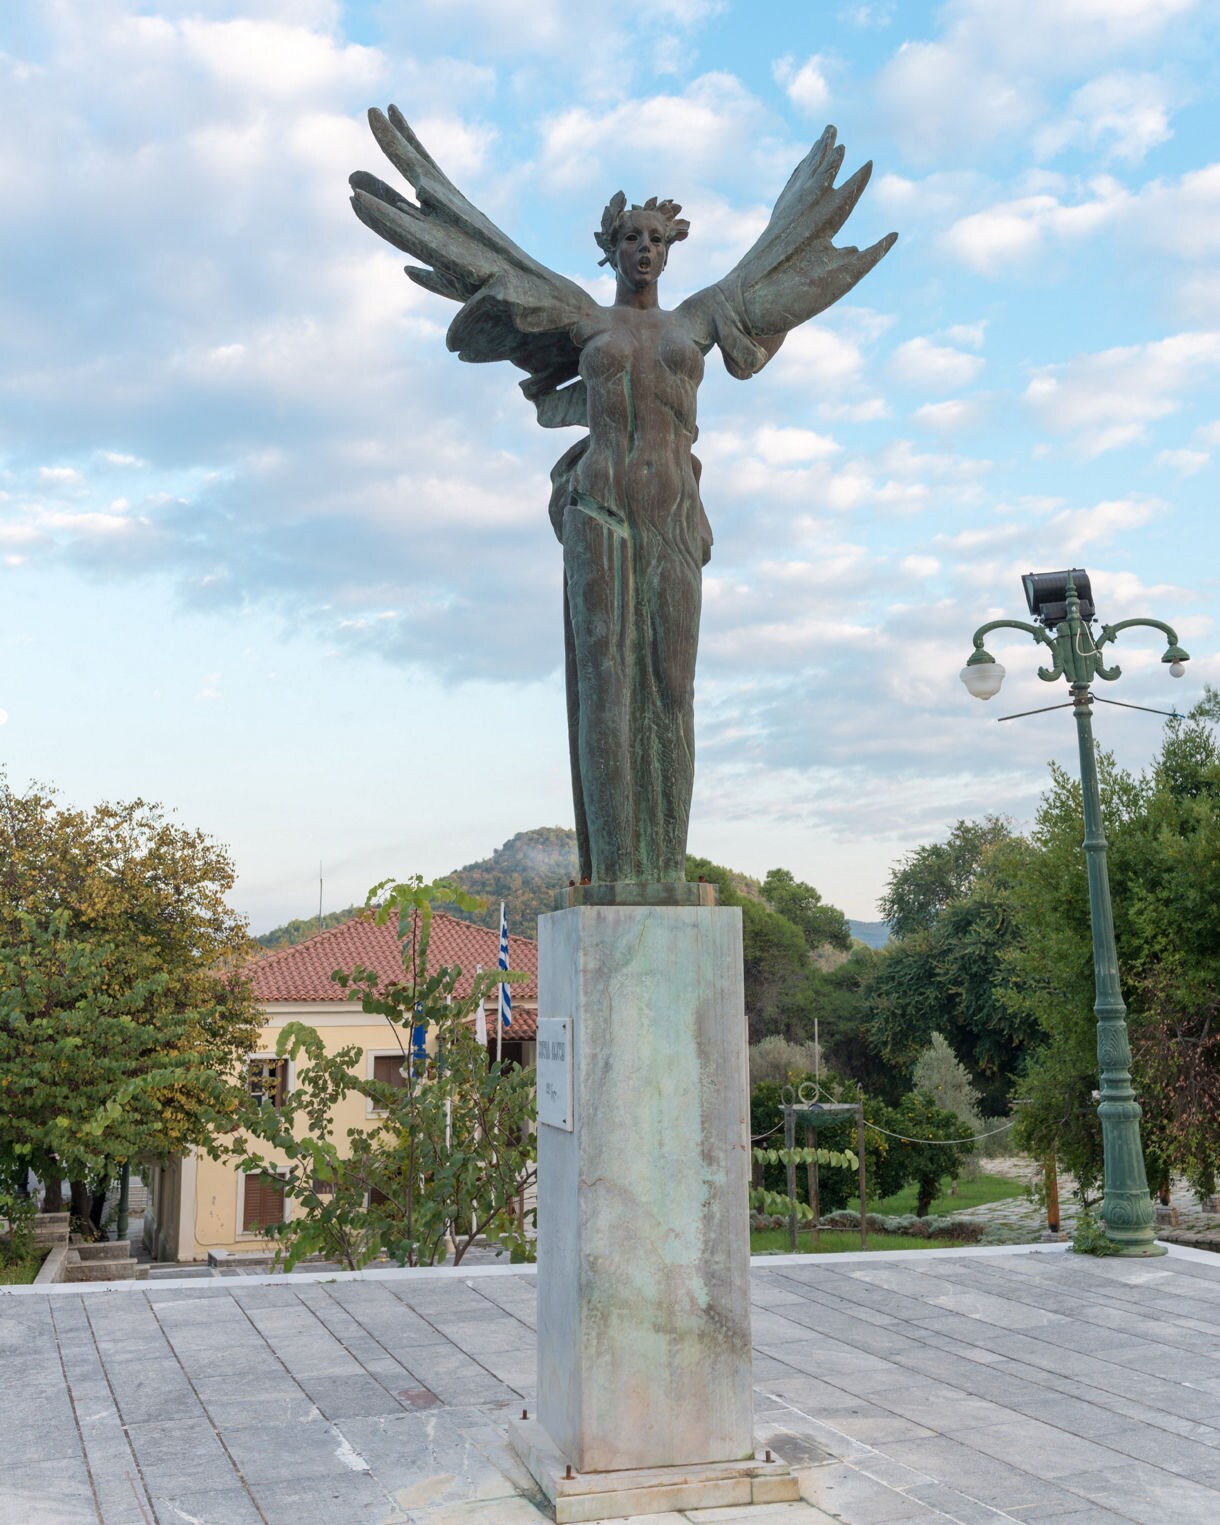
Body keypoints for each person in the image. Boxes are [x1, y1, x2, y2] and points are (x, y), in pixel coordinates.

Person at [350, 108, 896, 886]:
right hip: (601, 510)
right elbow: (485, 304)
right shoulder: (582, 317)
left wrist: (803, 231)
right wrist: (477, 270)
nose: (646, 250)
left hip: (675, 517)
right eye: (633, 238)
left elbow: (771, 282)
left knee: (672, 686)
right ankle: (613, 870)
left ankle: (663, 868)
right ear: (611, 248)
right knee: (606, 683)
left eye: (658, 240)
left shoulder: (702, 316)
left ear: (671, 252)